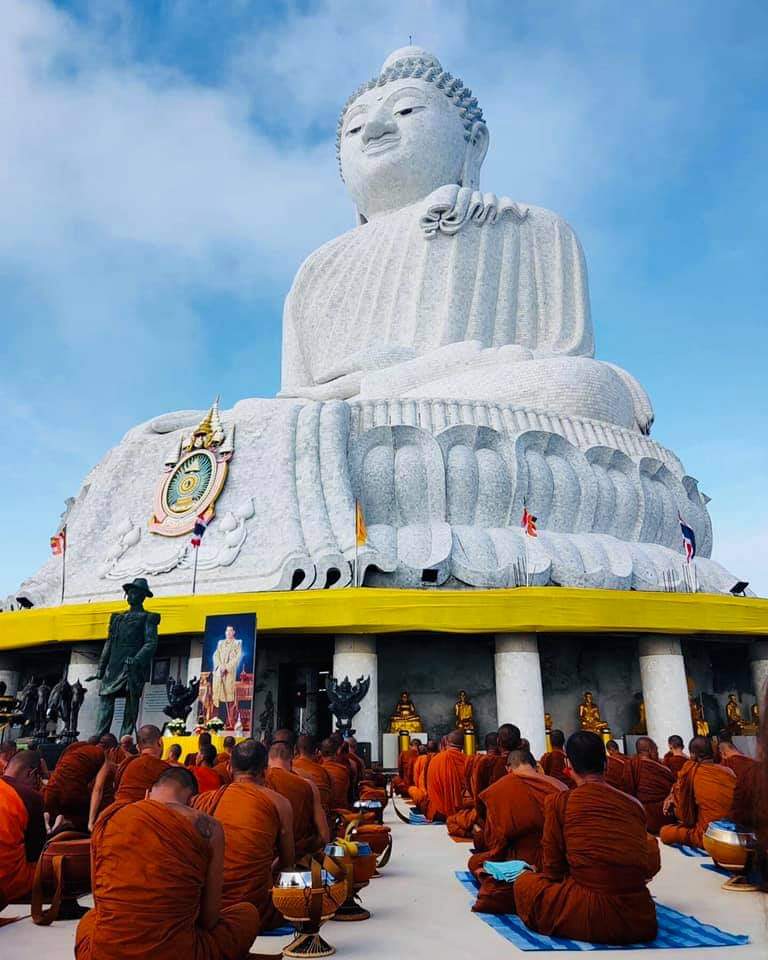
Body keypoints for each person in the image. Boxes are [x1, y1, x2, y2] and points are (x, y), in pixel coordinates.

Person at [76, 766, 259, 960]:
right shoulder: (207, 827)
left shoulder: (111, 818)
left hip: (105, 953)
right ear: (192, 801)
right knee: (247, 914)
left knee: (90, 918)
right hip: (177, 952)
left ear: (147, 794)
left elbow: (100, 901)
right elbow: (209, 920)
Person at [515, 731, 660, 944]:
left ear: (569, 764)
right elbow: (649, 863)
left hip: (590, 913)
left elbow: (553, 868)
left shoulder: (559, 802)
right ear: (606, 764)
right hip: (639, 917)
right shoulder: (633, 804)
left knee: (524, 884)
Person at [193, 739, 294, 931]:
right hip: (256, 910)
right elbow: (288, 864)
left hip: (207, 909)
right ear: (266, 771)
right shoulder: (279, 803)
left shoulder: (204, 801)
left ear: (229, 768)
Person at [469, 749, 567, 914]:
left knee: (475, 862)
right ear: (536, 766)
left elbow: (497, 842)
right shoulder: (558, 785)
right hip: (559, 862)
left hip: (523, 860)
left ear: (508, 768)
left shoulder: (500, 789)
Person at [659, 736, 736, 849]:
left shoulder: (690, 770)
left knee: (665, 832)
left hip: (709, 835)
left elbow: (683, 812)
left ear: (693, 755)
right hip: (734, 831)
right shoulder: (729, 771)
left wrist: (672, 798)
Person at [266, 737, 328, 858]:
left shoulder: (258, 785)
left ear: (268, 759)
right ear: (292, 758)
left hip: (265, 860)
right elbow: (324, 836)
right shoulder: (307, 785)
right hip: (298, 860)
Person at [0, 750, 47, 904]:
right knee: (47, 866)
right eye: (37, 779)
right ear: (31, 773)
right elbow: (35, 853)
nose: (37, 785)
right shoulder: (31, 797)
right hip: (8, 887)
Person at [45, 739, 107, 832]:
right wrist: (91, 822)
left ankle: (47, 819)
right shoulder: (102, 755)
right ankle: (66, 821)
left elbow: (58, 771)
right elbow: (98, 789)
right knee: (82, 816)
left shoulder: (72, 749)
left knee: (50, 807)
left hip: (51, 790)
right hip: (72, 793)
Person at [624, 737, 675, 834]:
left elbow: (627, 791)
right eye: (656, 750)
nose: (657, 753)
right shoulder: (662, 769)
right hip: (663, 816)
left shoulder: (630, 764)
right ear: (650, 750)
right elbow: (673, 788)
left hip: (639, 817)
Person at [113, 724, 169, 803]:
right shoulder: (165, 769)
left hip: (118, 812)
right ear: (160, 742)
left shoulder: (127, 764)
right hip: (144, 812)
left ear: (138, 747)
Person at [425, 730, 469, 822]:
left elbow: (428, 786)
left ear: (447, 742)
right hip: (460, 812)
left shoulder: (435, 760)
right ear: (464, 745)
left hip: (438, 813)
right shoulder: (468, 762)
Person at [293, 735, 333, 824]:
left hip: (297, 820)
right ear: (316, 751)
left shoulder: (290, 769)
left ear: (295, 749)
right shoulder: (323, 773)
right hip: (322, 820)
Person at [319, 737, 351, 810]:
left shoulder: (316, 770)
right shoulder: (344, 770)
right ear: (337, 752)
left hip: (323, 811)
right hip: (341, 812)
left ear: (320, 753)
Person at [408, 740, 438, 810]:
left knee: (411, 789)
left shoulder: (420, 759)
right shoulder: (440, 759)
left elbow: (415, 778)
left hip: (425, 797)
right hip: (438, 797)